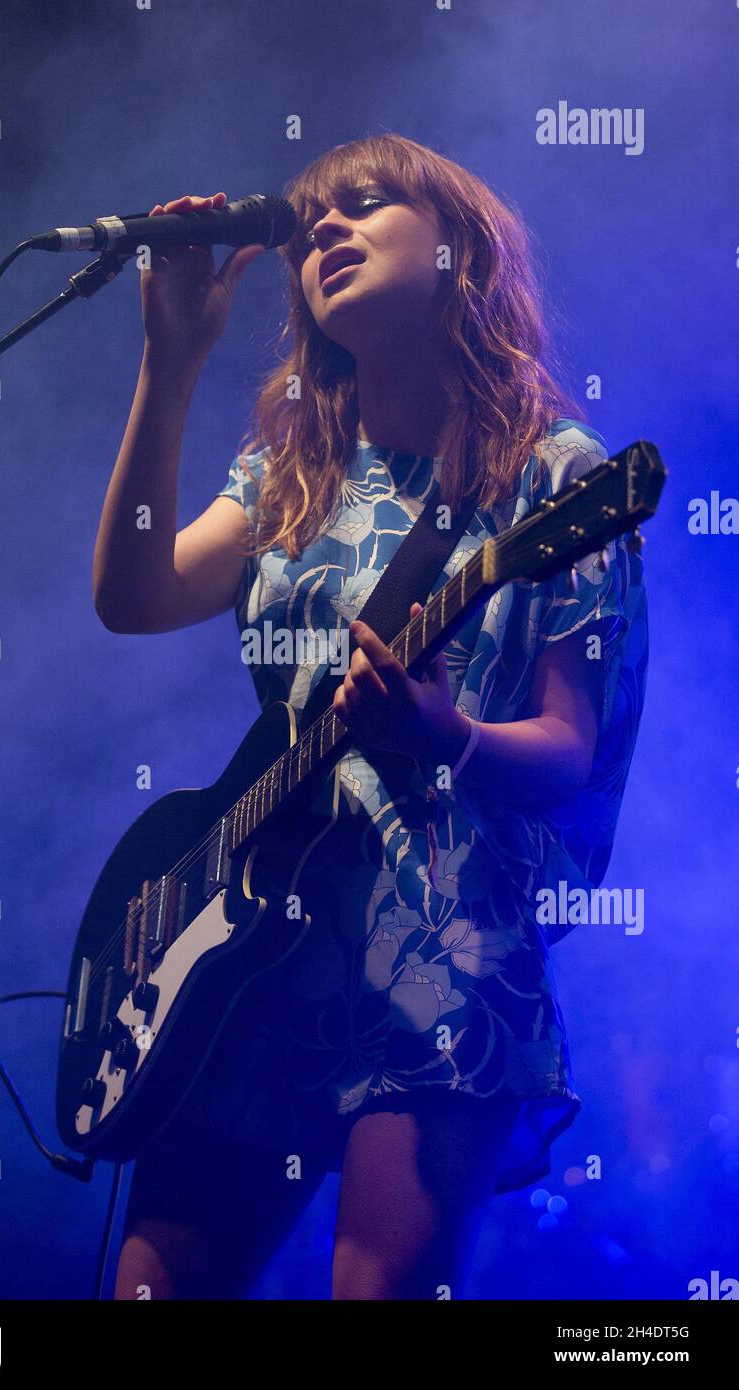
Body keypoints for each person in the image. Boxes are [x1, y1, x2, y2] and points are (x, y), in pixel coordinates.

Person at [94, 134, 648, 1300]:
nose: (327, 231)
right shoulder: (291, 464)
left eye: (365, 204)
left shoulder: (554, 475)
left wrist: (440, 733)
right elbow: (133, 595)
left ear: (459, 251)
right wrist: (170, 361)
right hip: (248, 958)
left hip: (441, 950)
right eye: (310, 226)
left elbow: (566, 751)